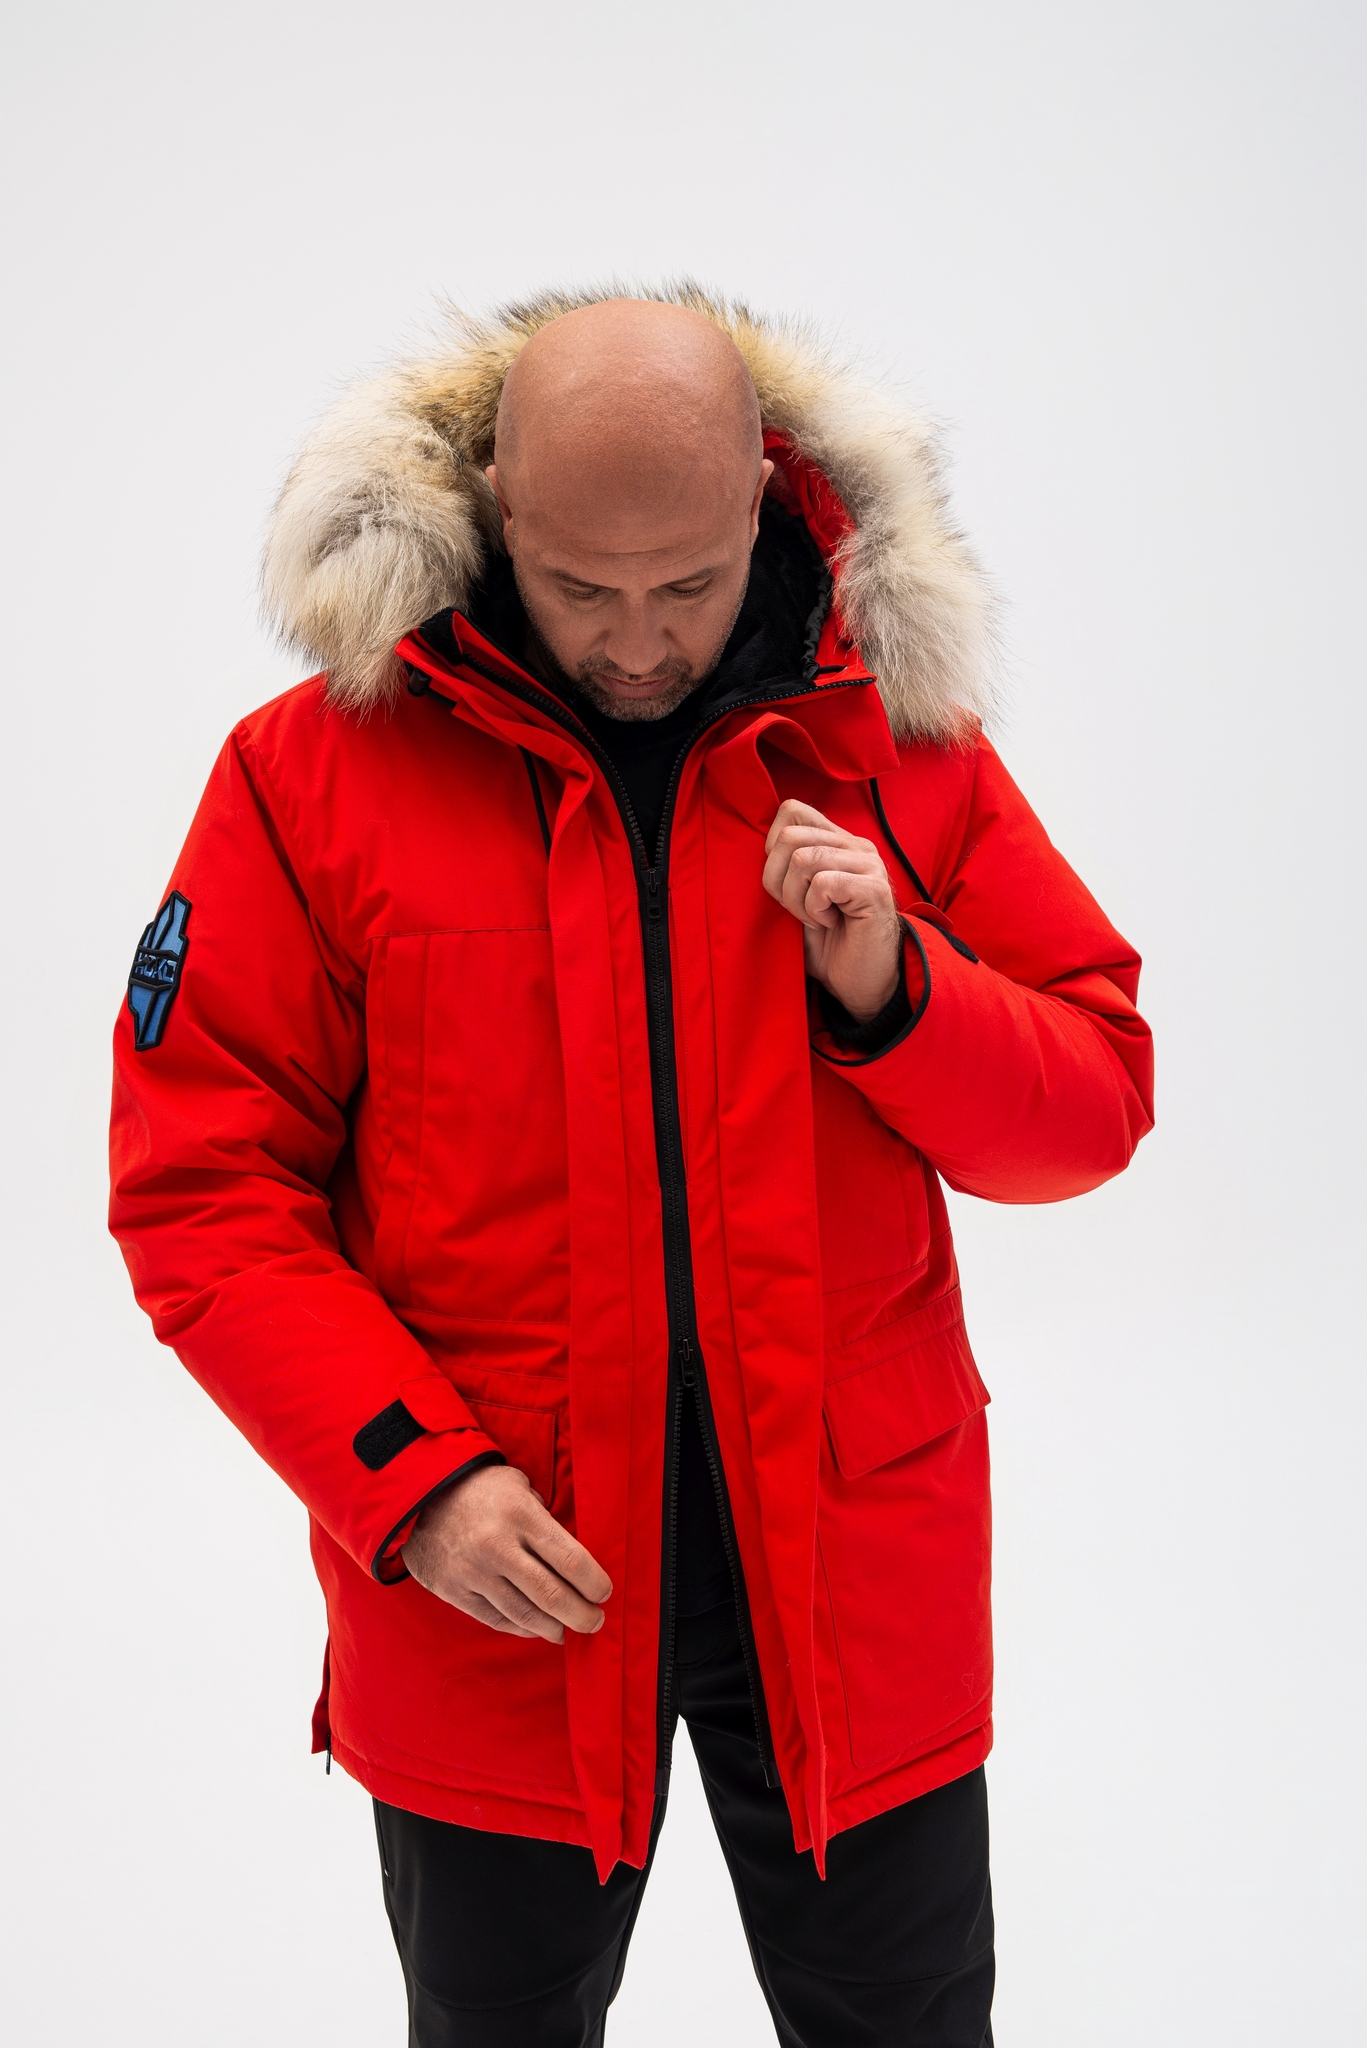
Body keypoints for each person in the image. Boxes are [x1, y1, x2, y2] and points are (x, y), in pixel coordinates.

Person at [110, 289, 1153, 2046]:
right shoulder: (311, 776)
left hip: (848, 1573)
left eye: (688, 584)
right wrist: (413, 1482)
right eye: (582, 588)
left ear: (761, 497)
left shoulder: (894, 741)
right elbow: (201, 1191)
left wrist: (898, 992)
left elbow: (1095, 1103)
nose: (642, 644)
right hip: (501, 1581)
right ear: (495, 510)